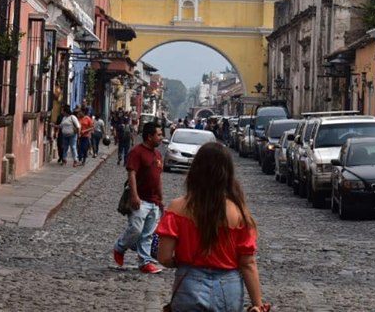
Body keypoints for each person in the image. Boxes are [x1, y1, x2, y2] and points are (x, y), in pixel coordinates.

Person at [156, 143, 270, 312]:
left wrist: (180, 262)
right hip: (228, 288)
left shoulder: (177, 208)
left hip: (189, 285)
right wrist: (258, 304)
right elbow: (247, 263)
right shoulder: (238, 213)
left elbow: (164, 257)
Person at [113, 121, 165, 274]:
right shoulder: (137, 152)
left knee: (148, 234)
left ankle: (145, 262)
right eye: (159, 135)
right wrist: (134, 195)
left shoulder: (158, 154)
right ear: (149, 136)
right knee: (136, 229)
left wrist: (160, 198)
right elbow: (131, 174)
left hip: (154, 201)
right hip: (140, 200)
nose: (162, 137)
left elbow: (158, 177)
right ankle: (120, 247)